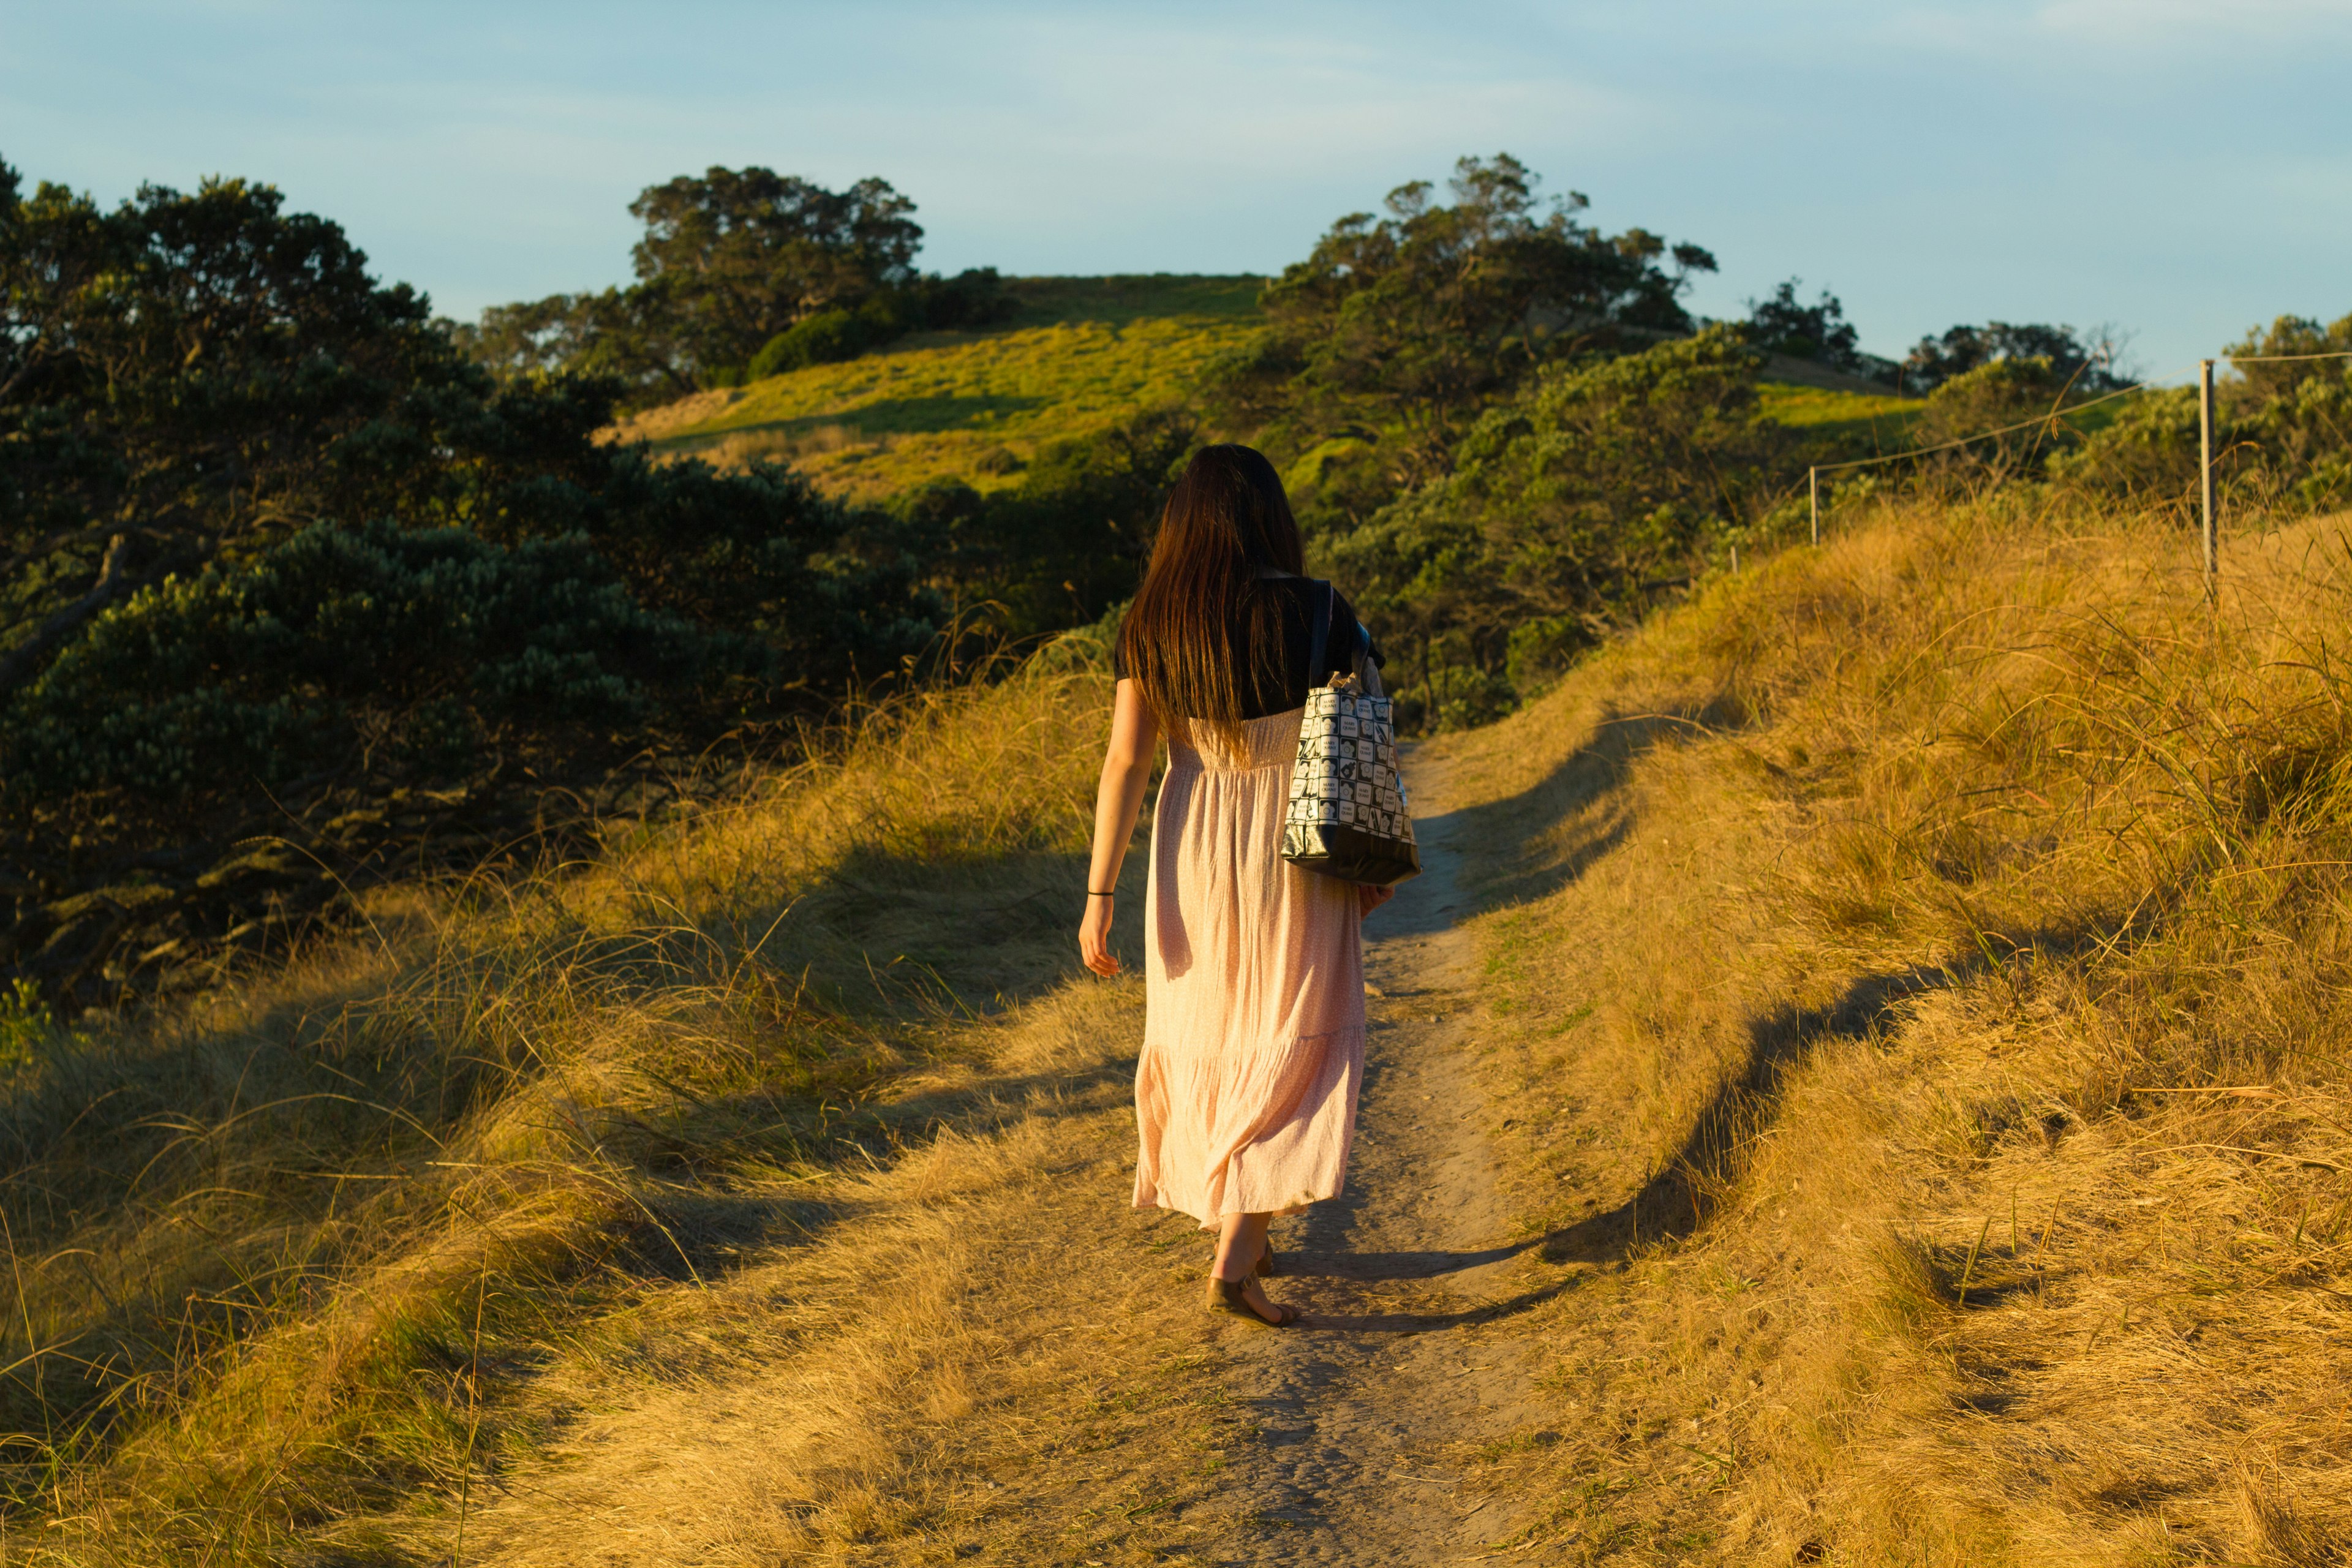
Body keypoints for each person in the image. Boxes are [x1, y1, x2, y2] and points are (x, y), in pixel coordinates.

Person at [1078, 444, 1393, 1328]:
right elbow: (1361, 740)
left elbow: (1125, 761)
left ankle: (1243, 1219)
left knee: (1212, 1030)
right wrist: (1363, 866)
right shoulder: (1321, 608)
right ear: (1269, 515)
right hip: (1295, 839)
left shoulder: (1150, 620)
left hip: (1192, 839)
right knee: (1292, 1027)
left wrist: (1099, 894)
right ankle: (1236, 1250)